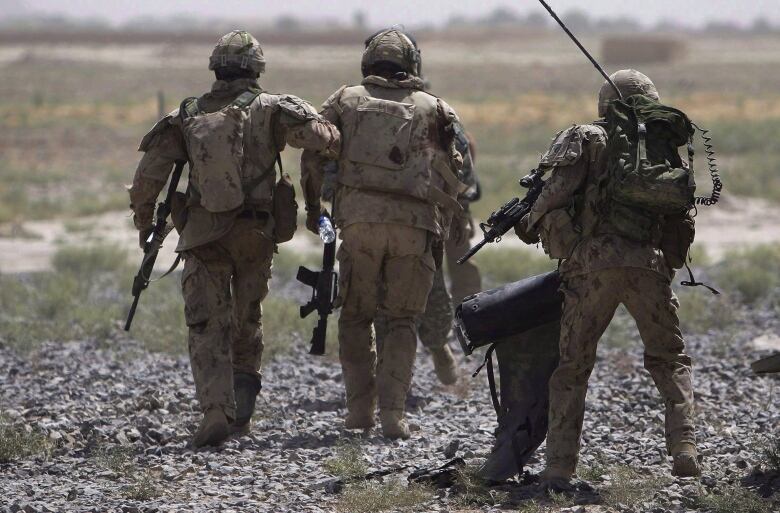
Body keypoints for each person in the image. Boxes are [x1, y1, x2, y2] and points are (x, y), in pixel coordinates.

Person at [128, 30, 340, 448]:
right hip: (256, 234)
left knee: (206, 323)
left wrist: (144, 224)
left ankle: (215, 411)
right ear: (257, 70)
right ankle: (242, 411)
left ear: (215, 69)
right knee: (247, 317)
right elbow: (320, 140)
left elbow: (148, 178)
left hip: (203, 234)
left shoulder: (187, 113)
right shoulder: (272, 108)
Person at [515, 69, 700, 489]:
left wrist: (528, 221)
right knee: (669, 360)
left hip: (591, 267)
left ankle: (560, 466)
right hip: (649, 267)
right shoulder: (660, 145)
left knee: (572, 369)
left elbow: (552, 195)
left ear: (604, 103)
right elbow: (680, 214)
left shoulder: (585, 137)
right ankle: (684, 448)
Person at [301, 28, 465, 439]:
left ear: (368, 63)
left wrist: (313, 209)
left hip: (358, 226)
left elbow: (313, 152)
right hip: (414, 228)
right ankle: (393, 415)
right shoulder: (435, 108)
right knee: (402, 321)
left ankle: (359, 412)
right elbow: (455, 170)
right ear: (411, 65)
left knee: (356, 316)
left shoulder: (344, 100)